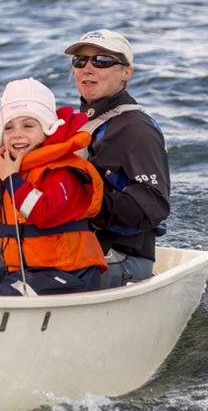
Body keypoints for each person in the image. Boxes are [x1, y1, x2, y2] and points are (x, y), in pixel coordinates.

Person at [0, 78, 107, 296]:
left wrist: (12, 180)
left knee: (3, 297)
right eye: (9, 128)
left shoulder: (64, 171)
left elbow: (43, 213)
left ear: (47, 128)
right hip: (29, 269)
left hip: (70, 272)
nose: (17, 134)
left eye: (28, 125)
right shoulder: (13, 168)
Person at [65, 29, 170, 288]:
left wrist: (78, 200)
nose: (87, 68)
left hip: (122, 258)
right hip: (74, 245)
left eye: (101, 60)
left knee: (29, 279)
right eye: (80, 61)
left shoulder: (136, 129)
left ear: (126, 73)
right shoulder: (73, 124)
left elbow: (153, 207)